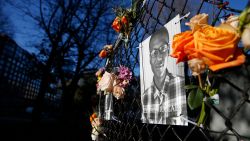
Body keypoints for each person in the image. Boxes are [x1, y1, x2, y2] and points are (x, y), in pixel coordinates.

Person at [141, 27, 187, 125]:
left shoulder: (183, 85)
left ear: (168, 50)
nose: (159, 58)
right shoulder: (145, 96)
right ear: (149, 58)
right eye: (154, 52)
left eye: (163, 49)